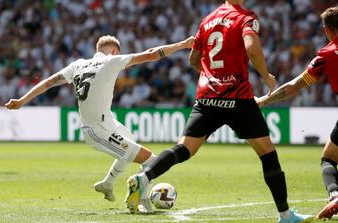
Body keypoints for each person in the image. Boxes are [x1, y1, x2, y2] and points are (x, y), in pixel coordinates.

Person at [125, 0, 313, 222]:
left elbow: (193, 59)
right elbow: (252, 49)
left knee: (184, 149)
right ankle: (285, 215)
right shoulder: (246, 17)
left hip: (207, 97)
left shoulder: (207, 20)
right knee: (268, 154)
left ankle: (144, 177)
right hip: (238, 98)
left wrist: (212, 76)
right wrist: (266, 76)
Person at [5, 35, 194, 213]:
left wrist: (22, 100)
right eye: (118, 54)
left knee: (130, 141)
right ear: (113, 52)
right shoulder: (111, 61)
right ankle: (141, 200)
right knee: (151, 161)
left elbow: (48, 82)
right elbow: (152, 53)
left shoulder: (78, 65)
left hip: (109, 122)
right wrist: (182, 45)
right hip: (96, 130)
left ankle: (107, 184)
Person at [256, 6, 338, 220]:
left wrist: (265, 100)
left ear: (327, 30)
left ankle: (335, 194)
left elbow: (296, 85)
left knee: (328, 158)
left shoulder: (327, 54)